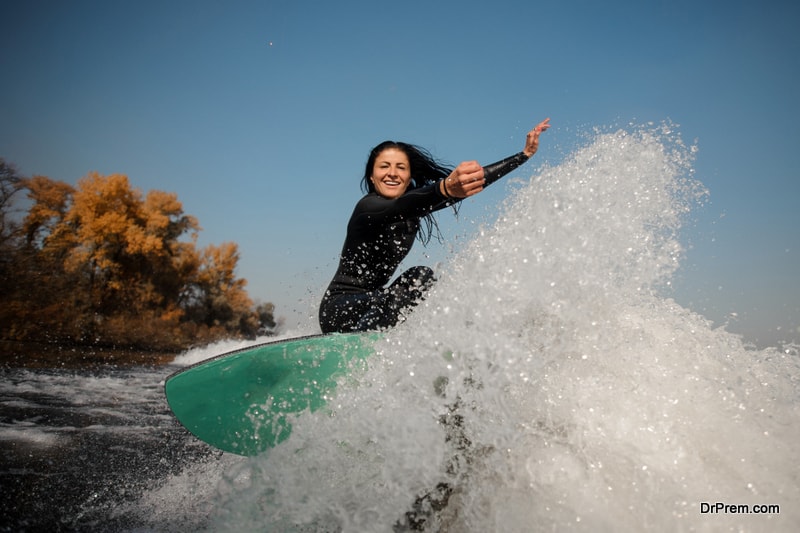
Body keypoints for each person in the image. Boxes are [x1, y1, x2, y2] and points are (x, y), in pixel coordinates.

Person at [319, 118, 551, 334]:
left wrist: (524, 155)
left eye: (401, 167)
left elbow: (470, 184)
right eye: (384, 167)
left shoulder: (414, 209)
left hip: (373, 306)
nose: (392, 173)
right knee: (419, 275)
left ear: (409, 176)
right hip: (340, 308)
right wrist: (444, 188)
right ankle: (365, 347)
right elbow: (402, 205)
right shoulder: (367, 208)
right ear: (372, 176)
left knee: (422, 280)